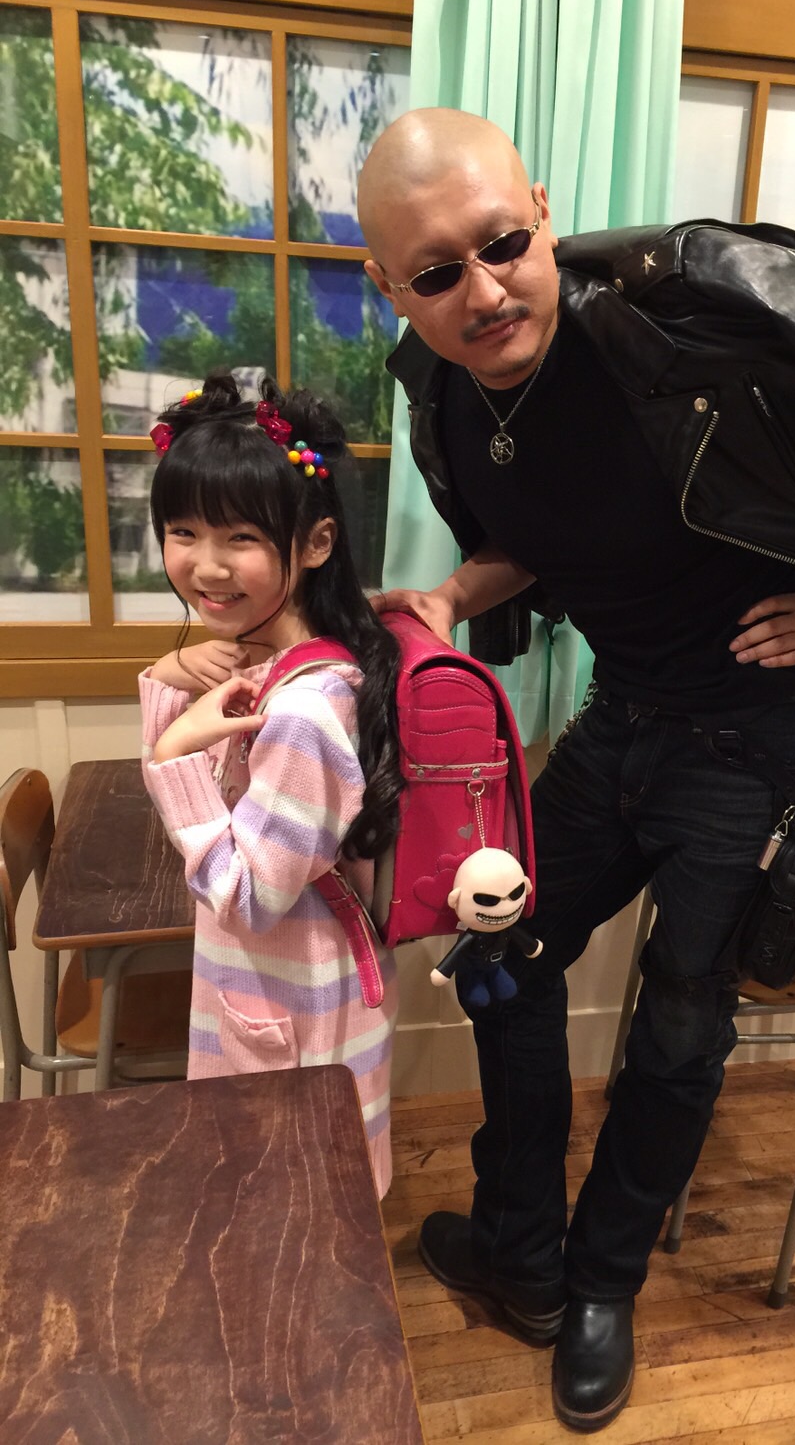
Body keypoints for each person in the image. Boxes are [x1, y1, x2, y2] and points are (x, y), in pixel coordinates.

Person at [357, 109, 795, 1432]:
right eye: (438, 272)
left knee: (678, 1027)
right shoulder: (447, 391)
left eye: (503, 244)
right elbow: (543, 537)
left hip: (753, 745)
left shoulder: (674, 343)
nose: (485, 290)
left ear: (542, 213)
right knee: (502, 950)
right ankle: (522, 1250)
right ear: (391, 286)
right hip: (623, 717)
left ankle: (602, 1283)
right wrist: (450, 594)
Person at [139, 372, 402, 1197]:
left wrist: (174, 751)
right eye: (183, 531)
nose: (205, 565)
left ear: (316, 543)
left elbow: (248, 896)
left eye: (241, 537)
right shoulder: (274, 664)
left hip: (296, 1009)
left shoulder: (305, 713)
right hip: (275, 988)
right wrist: (170, 681)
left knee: (298, 1212)